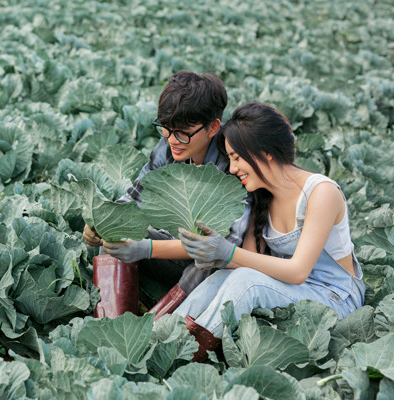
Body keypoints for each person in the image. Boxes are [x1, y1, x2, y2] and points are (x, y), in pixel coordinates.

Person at [174, 102, 365, 362]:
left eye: (237, 158)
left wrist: (228, 252)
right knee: (221, 278)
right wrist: (217, 255)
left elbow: (298, 271)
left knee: (246, 282)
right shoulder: (263, 197)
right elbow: (248, 263)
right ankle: (161, 337)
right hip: (295, 291)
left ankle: (183, 357)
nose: (232, 168)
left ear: (265, 152)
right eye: (230, 159)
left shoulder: (321, 192)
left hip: (336, 300)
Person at [83, 70, 249, 318]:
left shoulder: (236, 162)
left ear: (213, 127)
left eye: (183, 132)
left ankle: (158, 328)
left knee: (207, 264)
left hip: (219, 266)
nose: (172, 139)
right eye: (166, 129)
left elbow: (225, 248)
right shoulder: (169, 149)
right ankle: (111, 323)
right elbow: (134, 199)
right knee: (115, 239)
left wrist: (146, 249)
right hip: (172, 251)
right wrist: (102, 223)